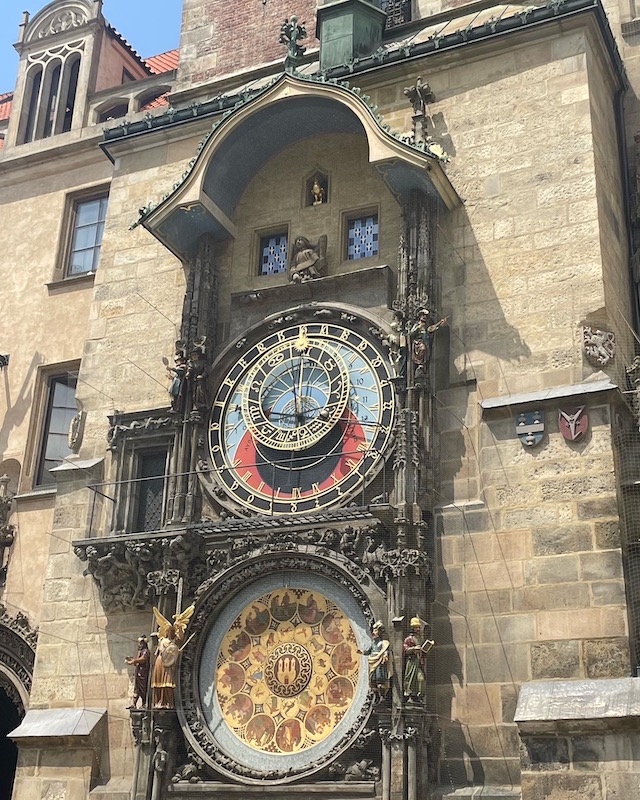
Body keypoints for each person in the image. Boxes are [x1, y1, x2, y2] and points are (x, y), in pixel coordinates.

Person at [151, 605, 194, 708]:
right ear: (166, 632)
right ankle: (159, 702)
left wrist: (178, 625)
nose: (171, 633)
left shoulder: (175, 641)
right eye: (169, 631)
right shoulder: (163, 640)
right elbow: (161, 650)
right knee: (158, 683)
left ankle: (169, 703)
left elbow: (181, 639)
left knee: (168, 683)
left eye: (172, 631)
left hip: (168, 664)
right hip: (161, 661)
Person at [357, 621, 391, 703]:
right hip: (372, 661)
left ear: (380, 632)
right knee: (372, 681)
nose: (373, 633)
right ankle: (376, 696)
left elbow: (385, 650)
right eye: (373, 631)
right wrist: (362, 652)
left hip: (379, 662)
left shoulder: (383, 643)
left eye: (375, 631)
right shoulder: (373, 644)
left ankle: (382, 696)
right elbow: (368, 651)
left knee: (380, 680)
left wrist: (385, 655)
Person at [403, 616, 433, 704]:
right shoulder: (409, 639)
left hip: (419, 662)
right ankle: (411, 696)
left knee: (421, 679)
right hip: (412, 662)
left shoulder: (421, 639)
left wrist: (428, 648)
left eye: (419, 627)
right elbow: (405, 650)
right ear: (412, 628)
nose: (418, 629)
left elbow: (423, 652)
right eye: (416, 627)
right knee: (411, 679)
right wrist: (413, 649)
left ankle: (419, 696)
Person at [410, 308, 448, 377]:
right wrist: (418, 327)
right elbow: (411, 334)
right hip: (418, 343)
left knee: (426, 354)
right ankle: (420, 366)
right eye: (423, 315)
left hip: (426, 343)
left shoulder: (426, 326)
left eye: (425, 316)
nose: (424, 317)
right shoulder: (417, 325)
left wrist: (441, 322)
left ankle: (423, 367)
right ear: (420, 316)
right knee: (422, 349)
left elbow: (432, 328)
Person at [125, 635, 150, 708]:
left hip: (143, 673)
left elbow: (143, 659)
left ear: (143, 643)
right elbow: (137, 661)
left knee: (142, 689)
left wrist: (134, 660)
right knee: (136, 689)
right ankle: (134, 704)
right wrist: (131, 660)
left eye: (140, 643)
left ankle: (144, 703)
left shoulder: (146, 651)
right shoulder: (140, 651)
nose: (139, 645)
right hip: (138, 672)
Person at [186, 347, 209, 412]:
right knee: (194, 394)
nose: (194, 356)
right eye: (192, 355)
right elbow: (190, 370)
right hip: (194, 381)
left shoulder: (203, 362)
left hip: (201, 380)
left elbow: (206, 371)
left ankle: (202, 404)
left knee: (200, 392)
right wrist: (188, 373)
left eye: (195, 355)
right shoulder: (191, 363)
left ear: (198, 355)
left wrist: (202, 376)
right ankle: (195, 405)